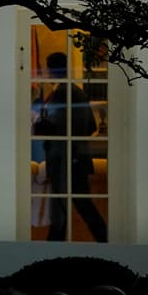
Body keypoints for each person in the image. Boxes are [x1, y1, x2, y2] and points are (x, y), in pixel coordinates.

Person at [41, 52, 107, 242]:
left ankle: (52, 249)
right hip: (76, 157)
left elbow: (54, 126)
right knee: (81, 206)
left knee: (65, 208)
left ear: (51, 70)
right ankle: (104, 241)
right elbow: (91, 126)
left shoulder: (62, 92)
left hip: (66, 159)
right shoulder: (76, 90)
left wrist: (42, 124)